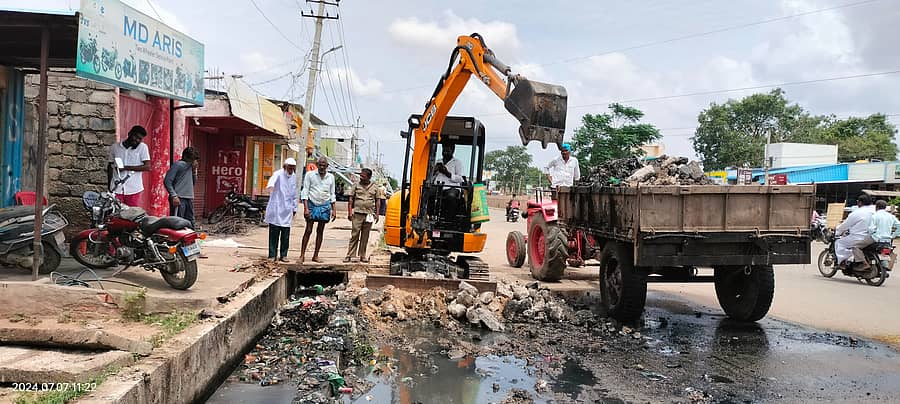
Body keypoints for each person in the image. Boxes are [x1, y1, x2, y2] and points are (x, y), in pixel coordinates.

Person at [344, 168, 385, 263]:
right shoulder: (356, 185)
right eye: (361, 175)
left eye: (363, 176)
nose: (361, 177)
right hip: (358, 213)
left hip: (369, 214)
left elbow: (378, 201)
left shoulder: (375, 187)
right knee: (354, 234)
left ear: (369, 177)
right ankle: (349, 255)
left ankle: (362, 255)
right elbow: (351, 199)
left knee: (365, 236)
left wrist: (377, 214)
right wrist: (350, 212)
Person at [300, 157, 336, 263]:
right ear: (317, 164)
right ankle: (302, 255)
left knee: (320, 231)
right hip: (312, 203)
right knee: (308, 230)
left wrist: (334, 209)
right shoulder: (309, 175)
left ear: (327, 166)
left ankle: (316, 255)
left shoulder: (331, 177)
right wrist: (306, 208)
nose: (322, 167)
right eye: (320, 165)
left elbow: (332, 193)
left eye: (324, 165)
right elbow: (305, 191)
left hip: (325, 205)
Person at [264, 158, 299, 262]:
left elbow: (294, 193)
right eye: (289, 167)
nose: (291, 170)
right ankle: (272, 255)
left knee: (285, 235)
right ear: (285, 167)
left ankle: (283, 255)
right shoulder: (278, 174)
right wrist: (270, 186)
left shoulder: (293, 177)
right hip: (276, 208)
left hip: (287, 209)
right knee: (274, 234)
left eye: (293, 168)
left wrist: (294, 207)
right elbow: (272, 180)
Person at [107, 125, 151, 206]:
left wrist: (126, 168)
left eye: (140, 139)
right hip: (116, 188)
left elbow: (147, 167)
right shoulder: (115, 147)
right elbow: (110, 166)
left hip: (133, 189)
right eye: (136, 137)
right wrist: (109, 186)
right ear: (129, 133)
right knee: (116, 213)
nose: (137, 140)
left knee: (131, 215)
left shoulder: (143, 147)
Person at [835, 195, 876, 269]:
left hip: (858, 237)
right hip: (873, 237)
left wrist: (837, 231)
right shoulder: (875, 210)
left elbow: (845, 225)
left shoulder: (857, 213)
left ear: (860, 202)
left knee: (839, 243)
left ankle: (842, 262)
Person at [164, 147, 199, 228]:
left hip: (188, 197)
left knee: (190, 222)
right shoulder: (178, 165)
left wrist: (194, 171)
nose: (193, 162)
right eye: (192, 159)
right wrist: (174, 195)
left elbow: (193, 183)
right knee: (178, 222)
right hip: (179, 198)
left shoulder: (191, 167)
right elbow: (167, 181)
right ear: (186, 157)